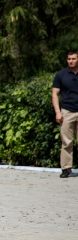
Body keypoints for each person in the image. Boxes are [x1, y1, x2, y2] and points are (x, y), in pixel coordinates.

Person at [52, 49, 78, 178]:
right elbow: (55, 94)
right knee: (66, 141)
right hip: (67, 111)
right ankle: (66, 169)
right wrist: (57, 112)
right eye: (69, 59)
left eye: (73, 59)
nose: (71, 61)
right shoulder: (61, 75)